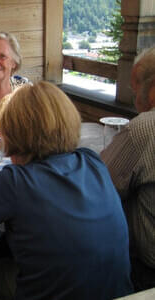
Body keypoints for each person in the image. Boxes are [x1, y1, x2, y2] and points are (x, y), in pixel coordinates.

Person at [0, 81, 133, 300]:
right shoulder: (91, 160)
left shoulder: (15, 182)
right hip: (122, 295)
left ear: (11, 134)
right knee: (0, 271)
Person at [101, 46, 155, 291]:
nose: (134, 98)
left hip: (146, 274)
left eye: (135, 89)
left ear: (152, 90)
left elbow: (99, 186)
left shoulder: (144, 128)